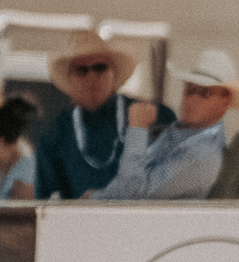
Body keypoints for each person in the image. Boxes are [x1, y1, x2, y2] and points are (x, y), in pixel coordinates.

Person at [88, 49, 239, 200]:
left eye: (204, 93)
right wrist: (93, 198)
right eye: (190, 90)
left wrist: (138, 128)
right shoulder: (183, 133)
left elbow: (133, 193)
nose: (192, 99)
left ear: (224, 101)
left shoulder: (201, 155)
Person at [34, 30, 176, 199]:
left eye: (99, 68)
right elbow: (46, 198)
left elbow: (169, 180)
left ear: (114, 74)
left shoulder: (155, 115)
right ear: (69, 82)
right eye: (81, 70)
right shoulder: (55, 131)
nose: (91, 76)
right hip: (78, 216)